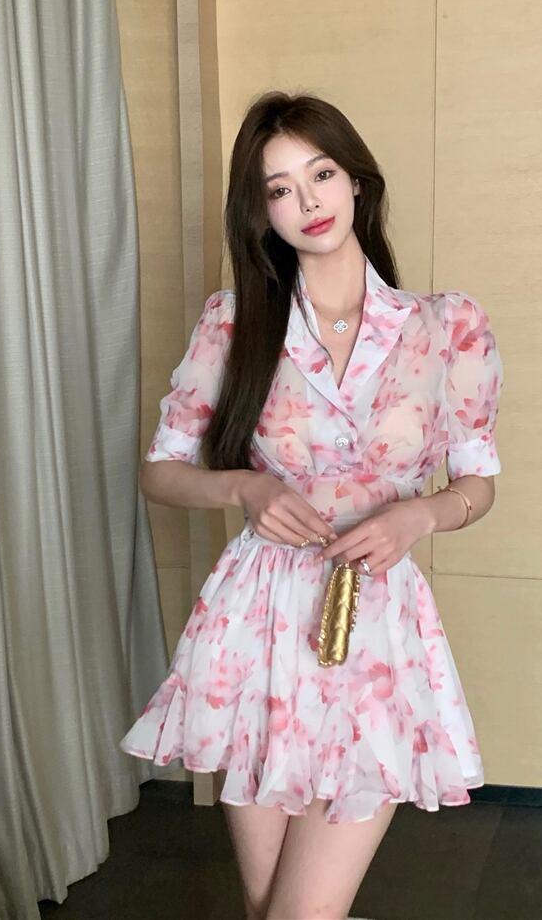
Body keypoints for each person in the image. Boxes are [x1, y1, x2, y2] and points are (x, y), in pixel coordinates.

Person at [120, 91, 504, 920]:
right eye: (280, 188)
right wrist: (243, 487)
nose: (308, 201)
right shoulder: (233, 324)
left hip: (374, 632)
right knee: (267, 909)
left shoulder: (446, 327)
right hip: (254, 627)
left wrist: (421, 515)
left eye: (321, 174)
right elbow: (160, 473)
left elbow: (478, 481)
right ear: (261, 211)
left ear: (356, 180)